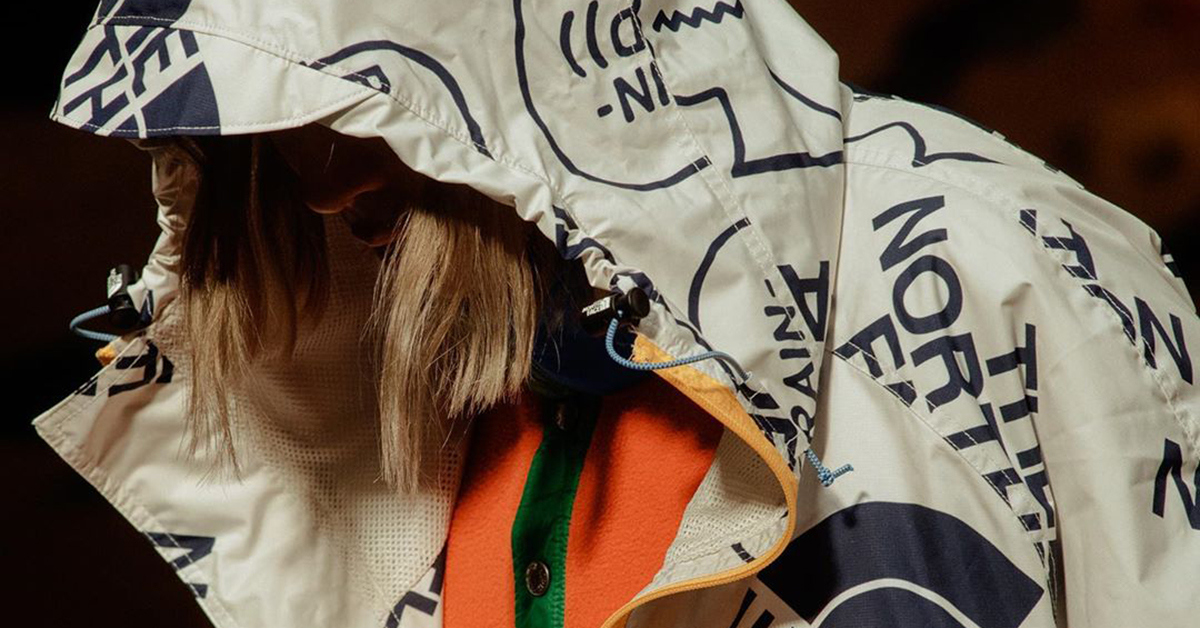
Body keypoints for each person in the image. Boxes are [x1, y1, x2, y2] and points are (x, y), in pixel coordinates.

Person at [39, 1, 1200, 627]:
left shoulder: (986, 256)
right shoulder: (407, 400)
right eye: (275, 136)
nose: (322, 190)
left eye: (353, 115)